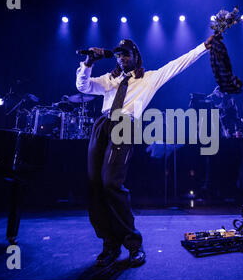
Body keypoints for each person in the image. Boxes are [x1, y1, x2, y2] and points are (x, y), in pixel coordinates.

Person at [76, 36, 215, 267]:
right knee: (95, 184)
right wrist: (88, 63)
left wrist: (203, 47)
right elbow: (83, 86)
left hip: (124, 124)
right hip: (102, 125)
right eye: (119, 55)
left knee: (111, 182)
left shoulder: (149, 78)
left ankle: (133, 243)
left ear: (135, 56)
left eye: (126, 54)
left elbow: (178, 64)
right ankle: (109, 244)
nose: (121, 59)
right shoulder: (111, 79)